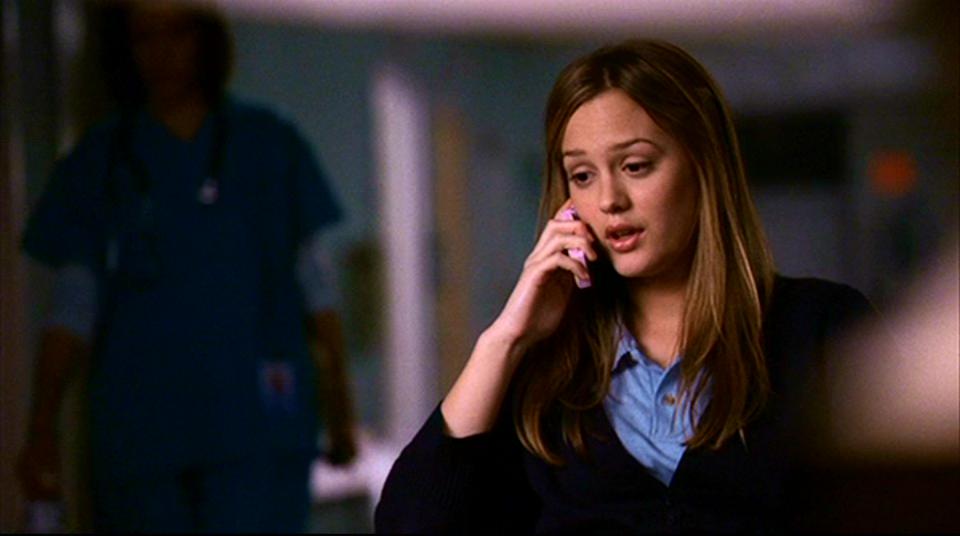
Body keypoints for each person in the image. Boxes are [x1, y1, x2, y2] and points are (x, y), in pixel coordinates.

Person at [374, 39, 873, 532]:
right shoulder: (546, 370)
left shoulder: (822, 327)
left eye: (635, 166)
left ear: (705, 165)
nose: (609, 199)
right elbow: (409, 525)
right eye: (582, 175)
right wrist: (504, 340)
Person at [17, 1, 356, 532]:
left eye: (178, 33)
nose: (163, 53)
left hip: (256, 427)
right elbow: (71, 307)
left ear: (206, 39)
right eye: (144, 37)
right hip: (144, 434)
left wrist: (341, 406)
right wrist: (42, 428)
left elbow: (317, 289)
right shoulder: (102, 160)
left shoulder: (268, 145)